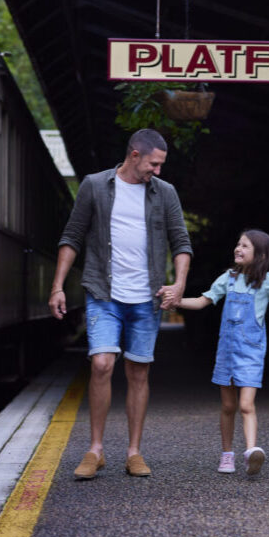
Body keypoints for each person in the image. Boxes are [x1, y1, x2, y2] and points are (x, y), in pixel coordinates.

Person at [49, 128, 192, 479]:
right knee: (100, 364)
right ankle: (95, 450)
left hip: (147, 297)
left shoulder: (166, 193)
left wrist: (179, 284)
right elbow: (72, 237)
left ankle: (133, 452)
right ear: (134, 156)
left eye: (161, 165)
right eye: (153, 164)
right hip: (103, 292)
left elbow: (181, 242)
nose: (157, 171)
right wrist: (57, 287)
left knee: (138, 371)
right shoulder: (95, 186)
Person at [178, 230, 269, 476]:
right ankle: (227, 454)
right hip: (226, 351)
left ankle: (252, 451)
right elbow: (201, 302)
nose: (237, 249)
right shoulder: (228, 278)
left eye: (245, 246)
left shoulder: (267, 281)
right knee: (228, 406)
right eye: (238, 244)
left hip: (250, 353)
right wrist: (175, 301)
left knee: (246, 404)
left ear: (260, 255)